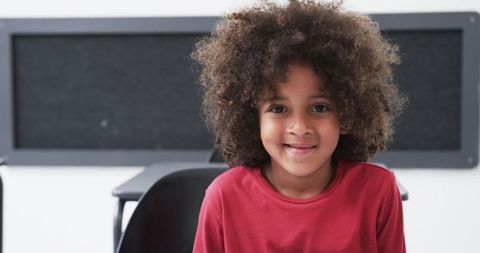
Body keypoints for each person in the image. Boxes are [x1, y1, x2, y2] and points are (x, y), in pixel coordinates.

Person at [191, 0, 407, 252]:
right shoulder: (223, 196)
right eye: (279, 109)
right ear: (253, 118)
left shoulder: (376, 190)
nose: (300, 127)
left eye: (319, 108)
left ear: (347, 114)